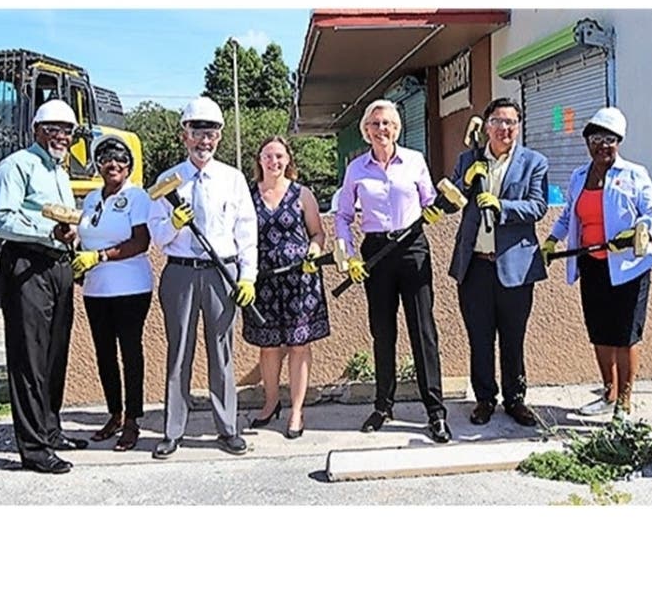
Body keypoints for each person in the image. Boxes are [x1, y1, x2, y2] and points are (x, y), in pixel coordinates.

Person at [147, 96, 258, 459]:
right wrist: (174, 225)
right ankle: (172, 431)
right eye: (197, 131)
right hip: (179, 273)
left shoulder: (233, 178)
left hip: (221, 274)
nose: (204, 140)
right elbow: (157, 235)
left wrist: (248, 277)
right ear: (185, 135)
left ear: (219, 137)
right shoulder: (167, 180)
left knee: (222, 354)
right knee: (178, 354)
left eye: (210, 132)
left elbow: (246, 232)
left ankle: (227, 429)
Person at [334, 99, 451, 443]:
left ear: (397, 128)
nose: (381, 129)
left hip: (413, 248)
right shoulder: (356, 168)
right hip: (376, 252)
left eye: (386, 123)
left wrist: (437, 209)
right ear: (365, 131)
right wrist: (349, 254)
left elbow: (430, 201)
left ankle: (436, 412)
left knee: (423, 331)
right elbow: (342, 216)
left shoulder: (415, 161)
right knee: (383, 332)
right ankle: (383, 406)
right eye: (374, 124)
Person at [0, 99, 87, 474]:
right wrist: (48, 230)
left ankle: (50, 428)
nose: (62, 136)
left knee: (54, 353)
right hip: (26, 263)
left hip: (57, 264)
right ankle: (33, 448)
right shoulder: (16, 166)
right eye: (55, 129)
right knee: (29, 357)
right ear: (37, 130)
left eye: (68, 130)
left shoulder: (60, 171)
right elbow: (1, 220)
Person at [543, 107, 652, 421]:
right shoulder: (579, 176)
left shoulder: (634, 174)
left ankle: (624, 403)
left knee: (625, 335)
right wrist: (552, 240)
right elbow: (569, 215)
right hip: (592, 264)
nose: (602, 145)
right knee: (599, 333)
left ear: (618, 142)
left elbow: (651, 214)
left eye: (609, 139)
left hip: (628, 268)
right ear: (587, 143)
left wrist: (636, 232)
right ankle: (608, 393)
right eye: (596, 139)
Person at [448, 97, 549, 427]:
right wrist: (465, 183)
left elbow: (537, 207)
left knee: (513, 337)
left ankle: (516, 399)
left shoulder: (534, 162)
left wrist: (502, 206)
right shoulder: (468, 160)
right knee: (479, 337)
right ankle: (484, 399)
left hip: (515, 266)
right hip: (475, 265)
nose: (505, 128)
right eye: (498, 121)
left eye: (511, 122)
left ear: (518, 127)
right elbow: (450, 204)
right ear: (486, 125)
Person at [243, 136, 330, 439]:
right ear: (259, 160)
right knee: (267, 347)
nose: (274, 162)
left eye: (279, 156)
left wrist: (314, 252)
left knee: (298, 345)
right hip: (263, 279)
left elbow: (318, 234)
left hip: (299, 280)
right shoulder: (247, 194)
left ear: (288, 159)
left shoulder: (302, 194)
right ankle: (270, 403)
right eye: (268, 156)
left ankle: (296, 410)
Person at [72, 135, 152, 451]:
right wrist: (77, 252)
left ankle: (133, 420)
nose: (113, 164)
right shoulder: (91, 198)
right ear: (98, 165)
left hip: (131, 288)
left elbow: (141, 241)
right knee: (104, 353)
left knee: (130, 353)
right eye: (106, 158)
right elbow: (84, 235)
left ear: (129, 165)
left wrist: (101, 256)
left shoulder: (137, 196)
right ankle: (114, 414)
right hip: (95, 289)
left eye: (120, 159)